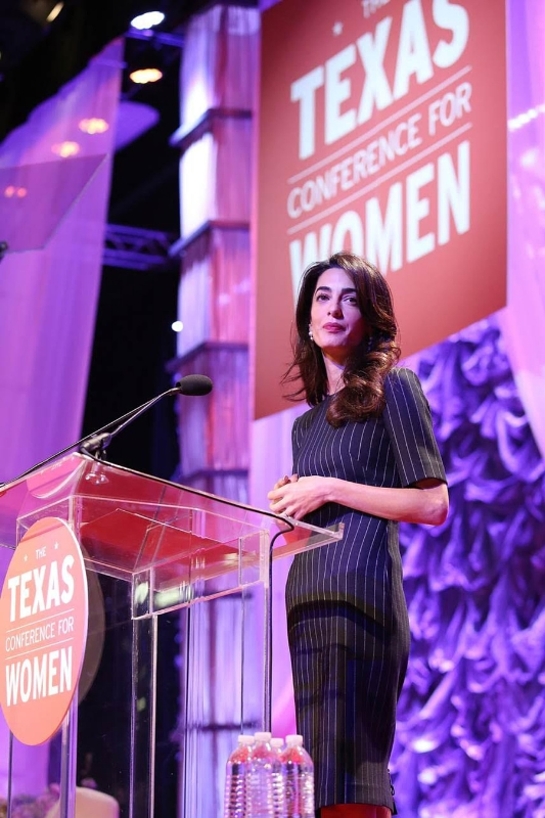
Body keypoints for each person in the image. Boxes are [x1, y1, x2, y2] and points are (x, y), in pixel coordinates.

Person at [267, 252, 448, 818]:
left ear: (371, 317)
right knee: (318, 786)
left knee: (354, 781)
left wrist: (329, 487)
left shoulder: (395, 388)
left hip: (362, 603)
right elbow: (324, 513)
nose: (334, 309)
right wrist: (292, 512)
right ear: (308, 317)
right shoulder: (306, 425)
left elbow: (432, 503)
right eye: (322, 297)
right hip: (310, 605)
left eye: (349, 298)